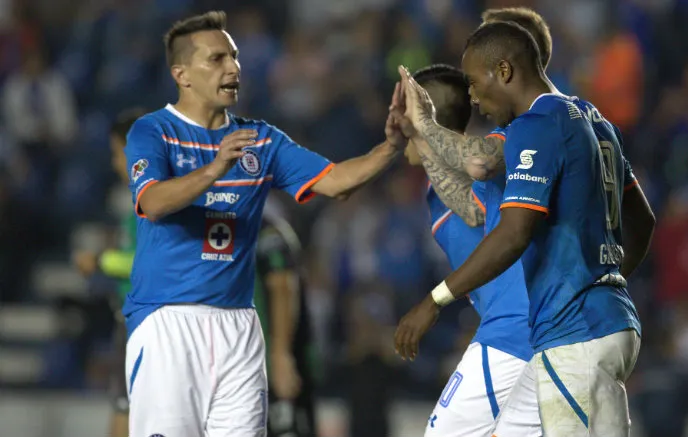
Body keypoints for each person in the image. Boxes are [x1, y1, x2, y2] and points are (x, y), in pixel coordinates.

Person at [123, 11, 403, 437]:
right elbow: (153, 201)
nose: (234, 68)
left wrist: (392, 146)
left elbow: (338, 182)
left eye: (234, 57)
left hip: (239, 325)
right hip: (167, 323)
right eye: (216, 59)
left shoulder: (262, 140)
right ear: (182, 74)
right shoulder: (153, 131)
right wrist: (215, 168)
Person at [394, 21, 655, 437]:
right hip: (604, 322)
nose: (474, 98)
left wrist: (435, 300)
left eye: (476, 83)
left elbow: (513, 234)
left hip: (573, 331)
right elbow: (643, 222)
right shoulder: (597, 121)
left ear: (504, 70)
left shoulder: (536, 126)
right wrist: (607, 281)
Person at [397, 64, 539, 437]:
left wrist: (434, 301)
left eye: (401, 113)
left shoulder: (485, 168)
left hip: (513, 333)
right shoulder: (437, 186)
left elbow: (478, 210)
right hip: (522, 333)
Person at [72, 107, 145, 437]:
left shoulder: (156, 199)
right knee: (123, 412)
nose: (115, 164)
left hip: (147, 325)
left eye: (118, 154)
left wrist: (101, 261)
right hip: (132, 322)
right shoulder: (139, 200)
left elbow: (149, 261)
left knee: (128, 416)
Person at [253, 200, 317, 437]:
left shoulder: (265, 230)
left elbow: (282, 286)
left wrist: (281, 355)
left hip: (270, 361)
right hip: (250, 362)